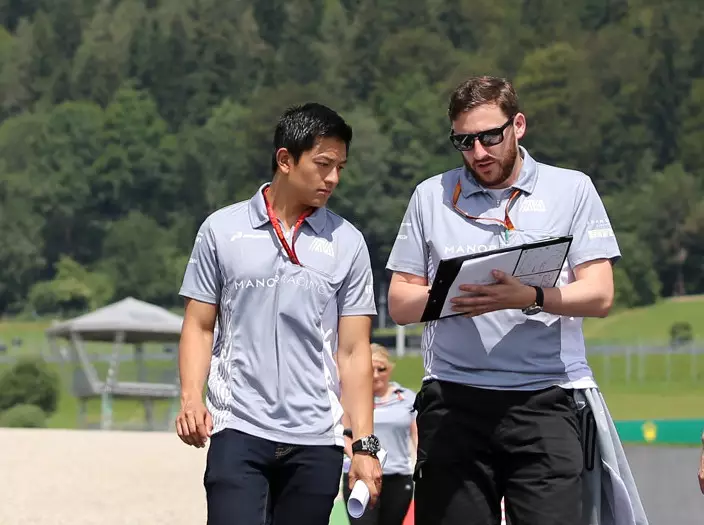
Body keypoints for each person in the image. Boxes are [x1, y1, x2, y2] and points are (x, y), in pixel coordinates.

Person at [385, 76, 645, 525]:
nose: (479, 153)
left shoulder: (572, 189)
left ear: (518, 125)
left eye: (490, 137)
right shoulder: (431, 195)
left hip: (546, 399)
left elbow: (600, 293)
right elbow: (400, 304)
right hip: (454, 399)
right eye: (464, 142)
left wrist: (530, 296)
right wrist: (455, 293)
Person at [175, 102, 383, 525]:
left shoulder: (349, 243)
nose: (333, 178)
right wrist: (191, 397)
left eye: (340, 167)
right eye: (323, 164)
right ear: (285, 159)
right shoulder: (221, 229)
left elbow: (354, 351)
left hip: (317, 438)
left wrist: (364, 445)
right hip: (238, 427)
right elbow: (199, 325)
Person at [341, 343, 418, 525]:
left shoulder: (406, 398)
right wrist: (358, 460)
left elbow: (418, 435)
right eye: (370, 369)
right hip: (361, 475)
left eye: (381, 369)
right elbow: (343, 434)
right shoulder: (351, 399)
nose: (376, 375)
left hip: (397, 474)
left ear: (390, 369)